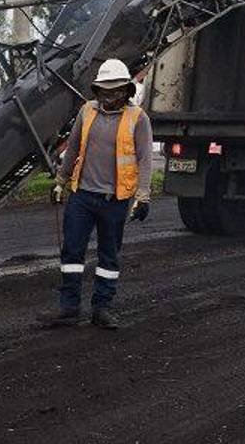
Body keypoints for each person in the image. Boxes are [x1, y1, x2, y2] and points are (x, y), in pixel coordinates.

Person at [44, 59, 153, 329]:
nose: (109, 96)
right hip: (82, 195)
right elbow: (73, 148)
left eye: (115, 91)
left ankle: (101, 308)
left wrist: (143, 196)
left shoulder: (138, 118)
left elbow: (145, 159)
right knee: (72, 251)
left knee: (108, 256)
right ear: (97, 91)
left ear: (126, 91)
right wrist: (61, 181)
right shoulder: (87, 111)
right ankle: (69, 308)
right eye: (104, 91)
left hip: (114, 200)